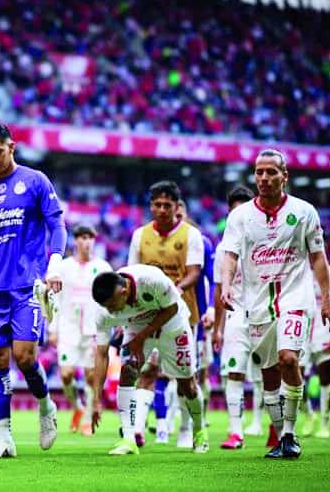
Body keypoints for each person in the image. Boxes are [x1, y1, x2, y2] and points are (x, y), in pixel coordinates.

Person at [220, 149, 330, 459]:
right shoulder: (240, 216)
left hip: (296, 298)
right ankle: (281, 435)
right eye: (259, 172)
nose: (264, 178)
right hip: (257, 303)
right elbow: (229, 254)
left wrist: (327, 301)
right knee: (269, 375)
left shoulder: (305, 211)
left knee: (287, 359)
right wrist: (228, 284)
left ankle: (290, 434)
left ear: (285, 176)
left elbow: (318, 257)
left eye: (271, 172)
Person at [0, 123, 66, 459]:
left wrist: (55, 263)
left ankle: (46, 405)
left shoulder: (36, 180)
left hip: (29, 283)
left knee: (25, 357)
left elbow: (57, 224)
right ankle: (4, 438)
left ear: (12, 147)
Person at [91, 264, 209, 455]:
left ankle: (199, 430)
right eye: (106, 307)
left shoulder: (151, 279)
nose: (111, 312)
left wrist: (141, 338)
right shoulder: (103, 312)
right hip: (136, 327)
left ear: (124, 291)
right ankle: (128, 439)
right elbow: (101, 354)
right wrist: (96, 399)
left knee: (188, 384)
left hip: (173, 326)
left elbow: (172, 308)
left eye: (112, 305)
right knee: (127, 371)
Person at [127, 181, 204, 448]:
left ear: (176, 206)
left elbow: (194, 272)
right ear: (150, 206)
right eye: (157, 204)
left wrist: (174, 289)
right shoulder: (140, 235)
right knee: (147, 370)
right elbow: (131, 273)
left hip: (181, 314)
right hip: (147, 314)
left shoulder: (190, 235)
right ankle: (136, 431)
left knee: (185, 378)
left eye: (167, 205)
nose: (161, 209)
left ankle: (186, 429)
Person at [49, 225, 112, 436]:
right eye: (82, 238)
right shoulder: (64, 267)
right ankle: (77, 407)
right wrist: (52, 327)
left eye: (90, 238)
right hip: (68, 327)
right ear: (75, 241)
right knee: (66, 374)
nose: (87, 242)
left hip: (92, 328)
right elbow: (55, 298)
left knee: (90, 374)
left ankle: (86, 420)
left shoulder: (103, 267)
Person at [211, 185, 257, 449]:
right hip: (236, 315)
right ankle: (236, 431)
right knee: (233, 371)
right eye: (233, 212)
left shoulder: (267, 244)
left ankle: (279, 429)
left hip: (266, 312)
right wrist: (218, 328)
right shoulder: (223, 251)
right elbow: (219, 290)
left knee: (270, 372)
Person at [176, 199, 215, 434]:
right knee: (163, 371)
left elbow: (209, 277)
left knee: (195, 370)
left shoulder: (201, 241)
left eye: (180, 214)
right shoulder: (157, 240)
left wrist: (209, 308)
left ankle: (193, 419)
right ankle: (173, 421)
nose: (176, 219)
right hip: (166, 314)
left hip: (195, 316)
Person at [299, 262, 330, 439]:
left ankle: (324, 424)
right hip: (303, 333)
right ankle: (308, 415)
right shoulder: (302, 272)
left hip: (325, 332)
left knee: (325, 378)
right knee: (294, 377)